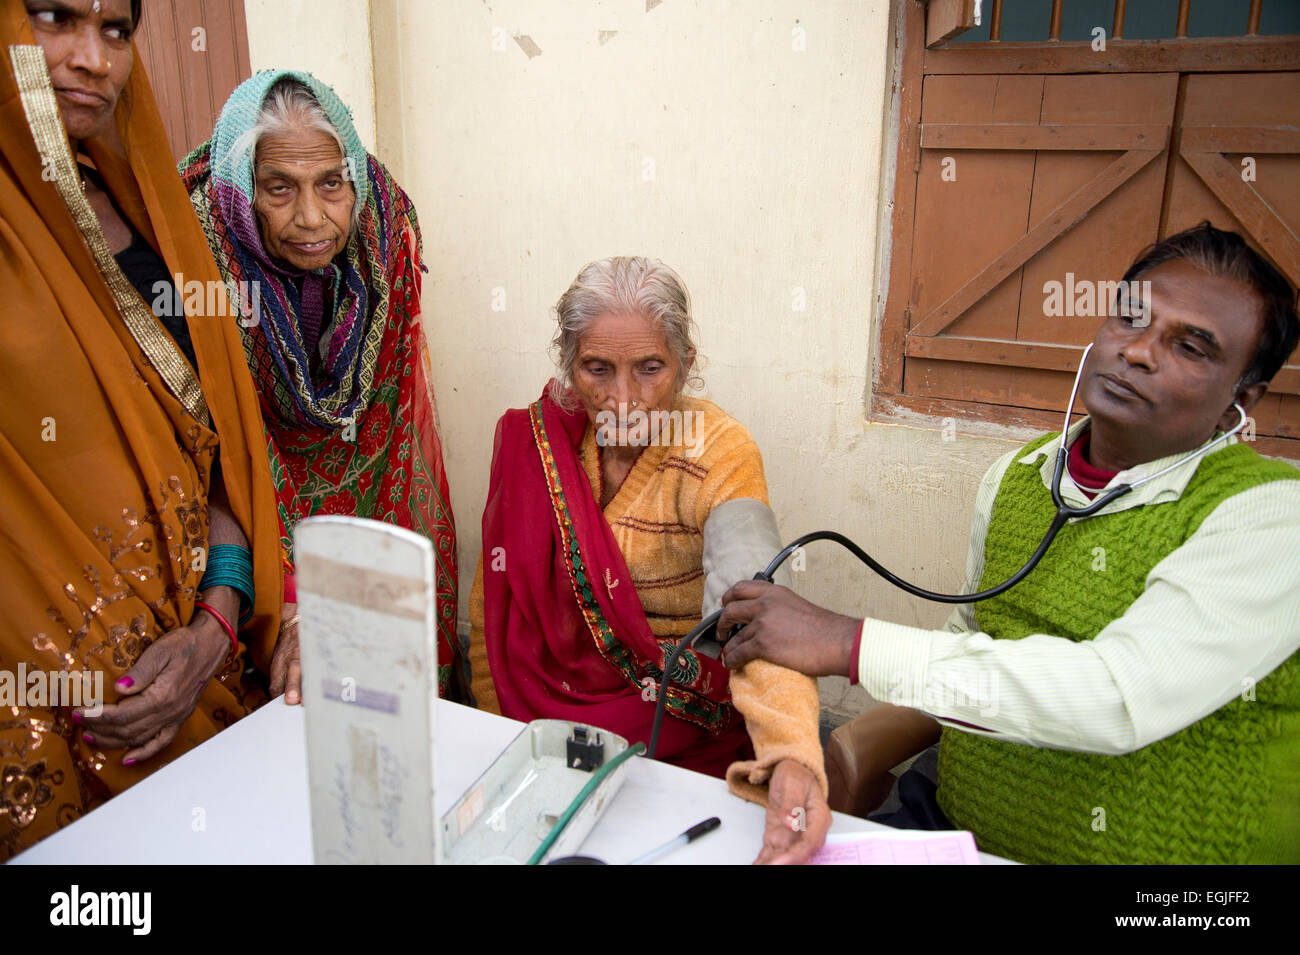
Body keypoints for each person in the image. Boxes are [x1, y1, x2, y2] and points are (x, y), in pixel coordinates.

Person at [718, 223, 1300, 864]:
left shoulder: (1270, 514)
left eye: (1191, 348)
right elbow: (964, 652)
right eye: (1131, 319)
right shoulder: (1019, 477)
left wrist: (847, 642)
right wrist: (848, 757)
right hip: (956, 834)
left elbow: (1119, 698)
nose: (1137, 353)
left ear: (1237, 403)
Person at [0, 0, 286, 859]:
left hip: (198, 693)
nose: (94, 59)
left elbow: (213, 465)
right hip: (44, 728)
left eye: (117, 29)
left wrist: (216, 623)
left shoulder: (151, 220)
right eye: (53, 17)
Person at [469, 256, 830, 863]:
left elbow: (759, 608)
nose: (623, 400)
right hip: (543, 727)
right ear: (569, 365)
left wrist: (791, 753)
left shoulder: (720, 452)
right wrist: (499, 729)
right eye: (597, 369)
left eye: (650, 369)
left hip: (683, 732)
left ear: (685, 365)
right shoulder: (537, 441)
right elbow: (496, 612)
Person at [181, 71, 465, 702]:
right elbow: (222, 443)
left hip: (367, 482)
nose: (312, 218)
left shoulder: (383, 221)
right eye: (279, 188)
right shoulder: (191, 254)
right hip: (243, 505)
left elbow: (391, 416)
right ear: (241, 191)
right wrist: (290, 602)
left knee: (383, 687)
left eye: (331, 184)